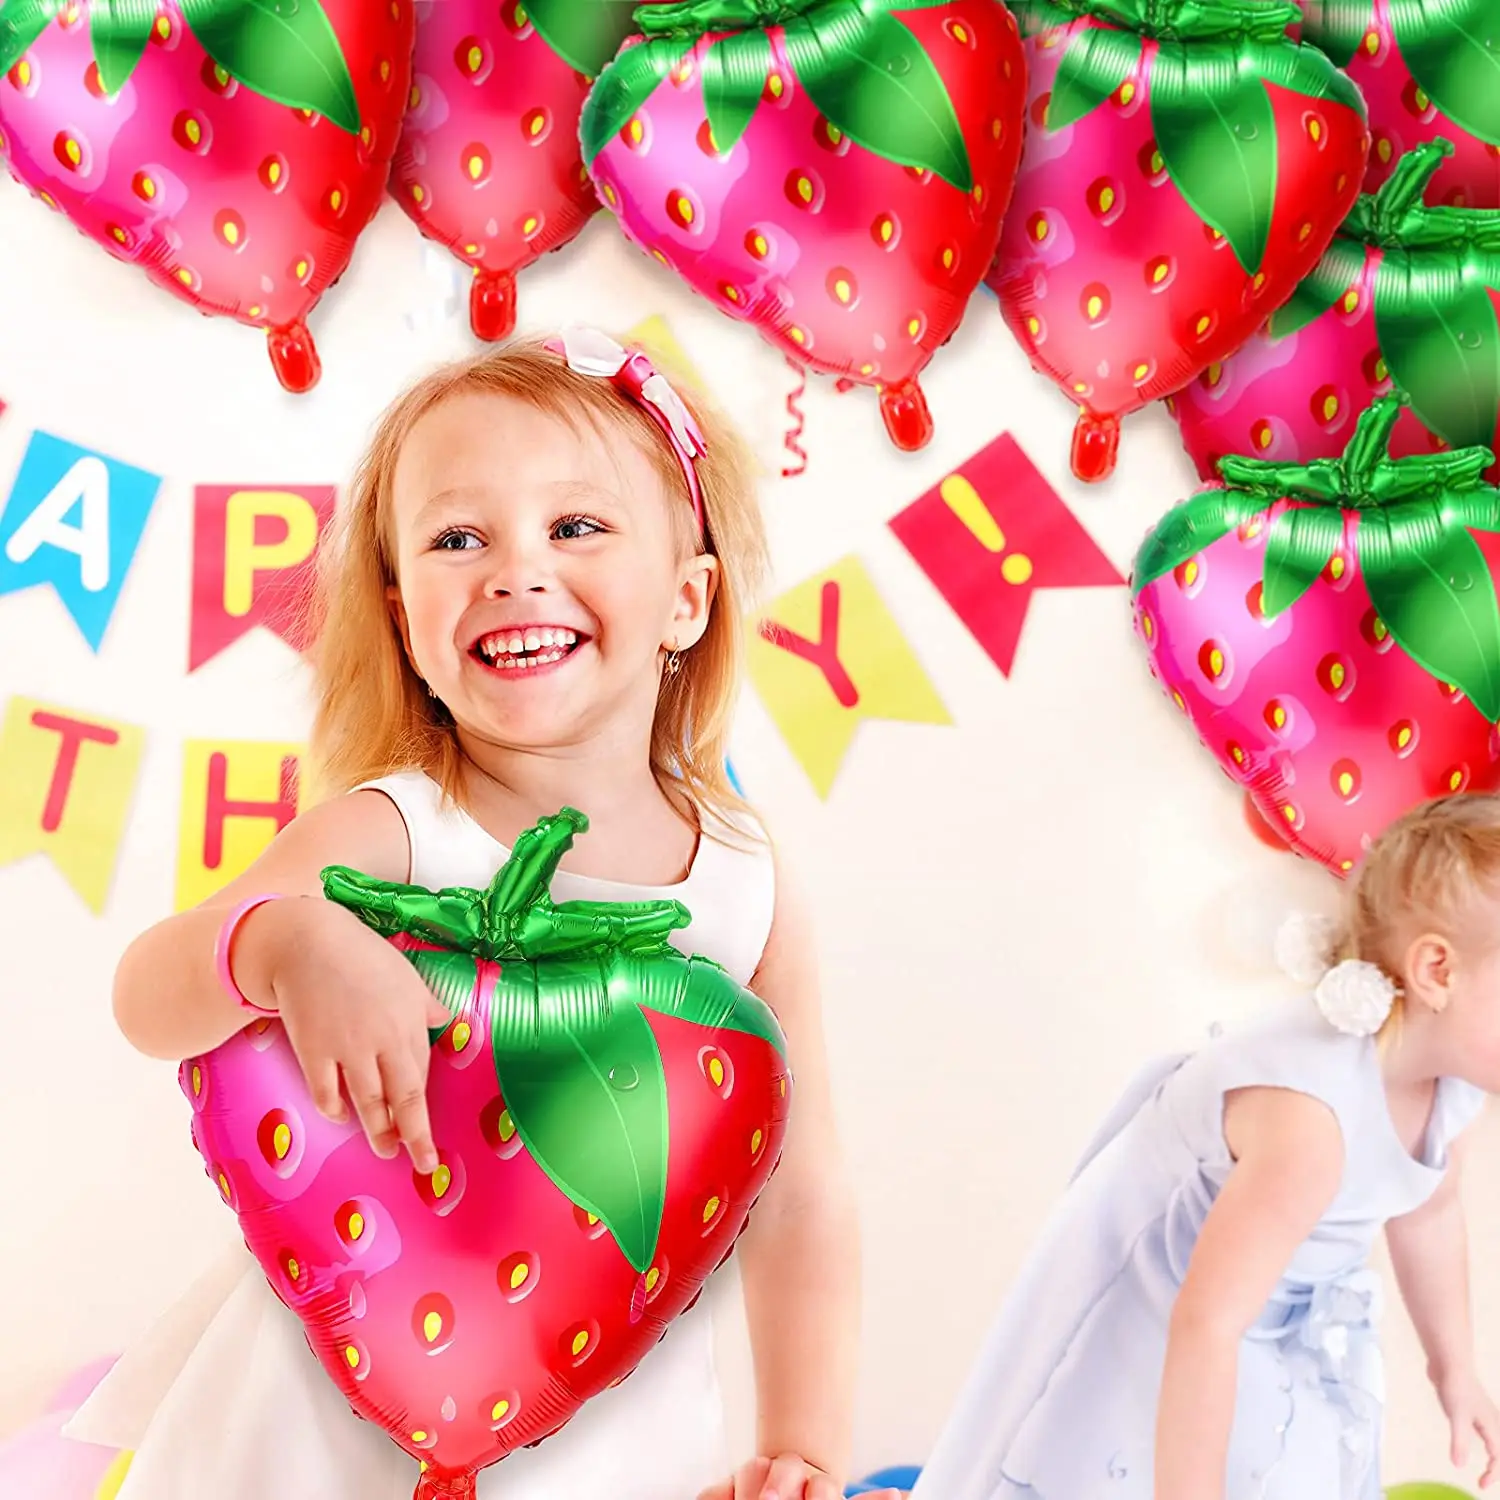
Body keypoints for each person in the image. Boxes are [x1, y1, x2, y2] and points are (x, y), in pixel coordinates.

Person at [66, 328, 880, 1500]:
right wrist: (284, 942)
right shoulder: (397, 830)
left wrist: (803, 1446)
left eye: (577, 526)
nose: (515, 570)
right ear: (405, 622)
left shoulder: (743, 877)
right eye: (459, 539)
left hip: (612, 1416)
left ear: (688, 601)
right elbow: (148, 997)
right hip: (336, 1410)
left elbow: (803, 1192)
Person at [911, 792, 1500, 1500]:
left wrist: (1454, 1370)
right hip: (1170, 1319)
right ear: (1438, 972)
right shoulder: (1309, 1121)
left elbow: (1428, 1215)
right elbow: (1205, 1326)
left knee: (1288, 1461)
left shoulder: (1446, 1088)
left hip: (1280, 1326)